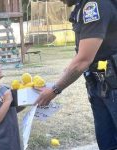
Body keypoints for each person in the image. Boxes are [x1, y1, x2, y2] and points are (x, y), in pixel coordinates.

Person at [35, 0, 117, 150]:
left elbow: (83, 59)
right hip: (99, 83)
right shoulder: (83, 6)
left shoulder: (96, 5)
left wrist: (55, 89)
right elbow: (80, 57)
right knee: (107, 143)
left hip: (113, 86)